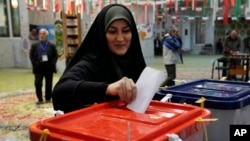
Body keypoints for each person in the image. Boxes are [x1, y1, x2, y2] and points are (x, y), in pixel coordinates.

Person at [52, 4, 146, 113]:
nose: (120, 38)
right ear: (102, 33)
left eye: (126, 31)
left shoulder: (135, 62)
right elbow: (60, 91)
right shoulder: (91, 63)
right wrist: (107, 88)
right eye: (112, 31)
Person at [29, 28, 58, 104]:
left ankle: (48, 98)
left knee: (49, 83)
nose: (41, 35)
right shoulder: (35, 45)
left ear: (46, 35)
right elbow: (31, 55)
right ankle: (40, 99)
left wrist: (52, 64)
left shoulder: (51, 45)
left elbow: (55, 55)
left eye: (43, 34)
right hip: (38, 67)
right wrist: (34, 63)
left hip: (48, 67)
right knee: (38, 83)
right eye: (40, 34)